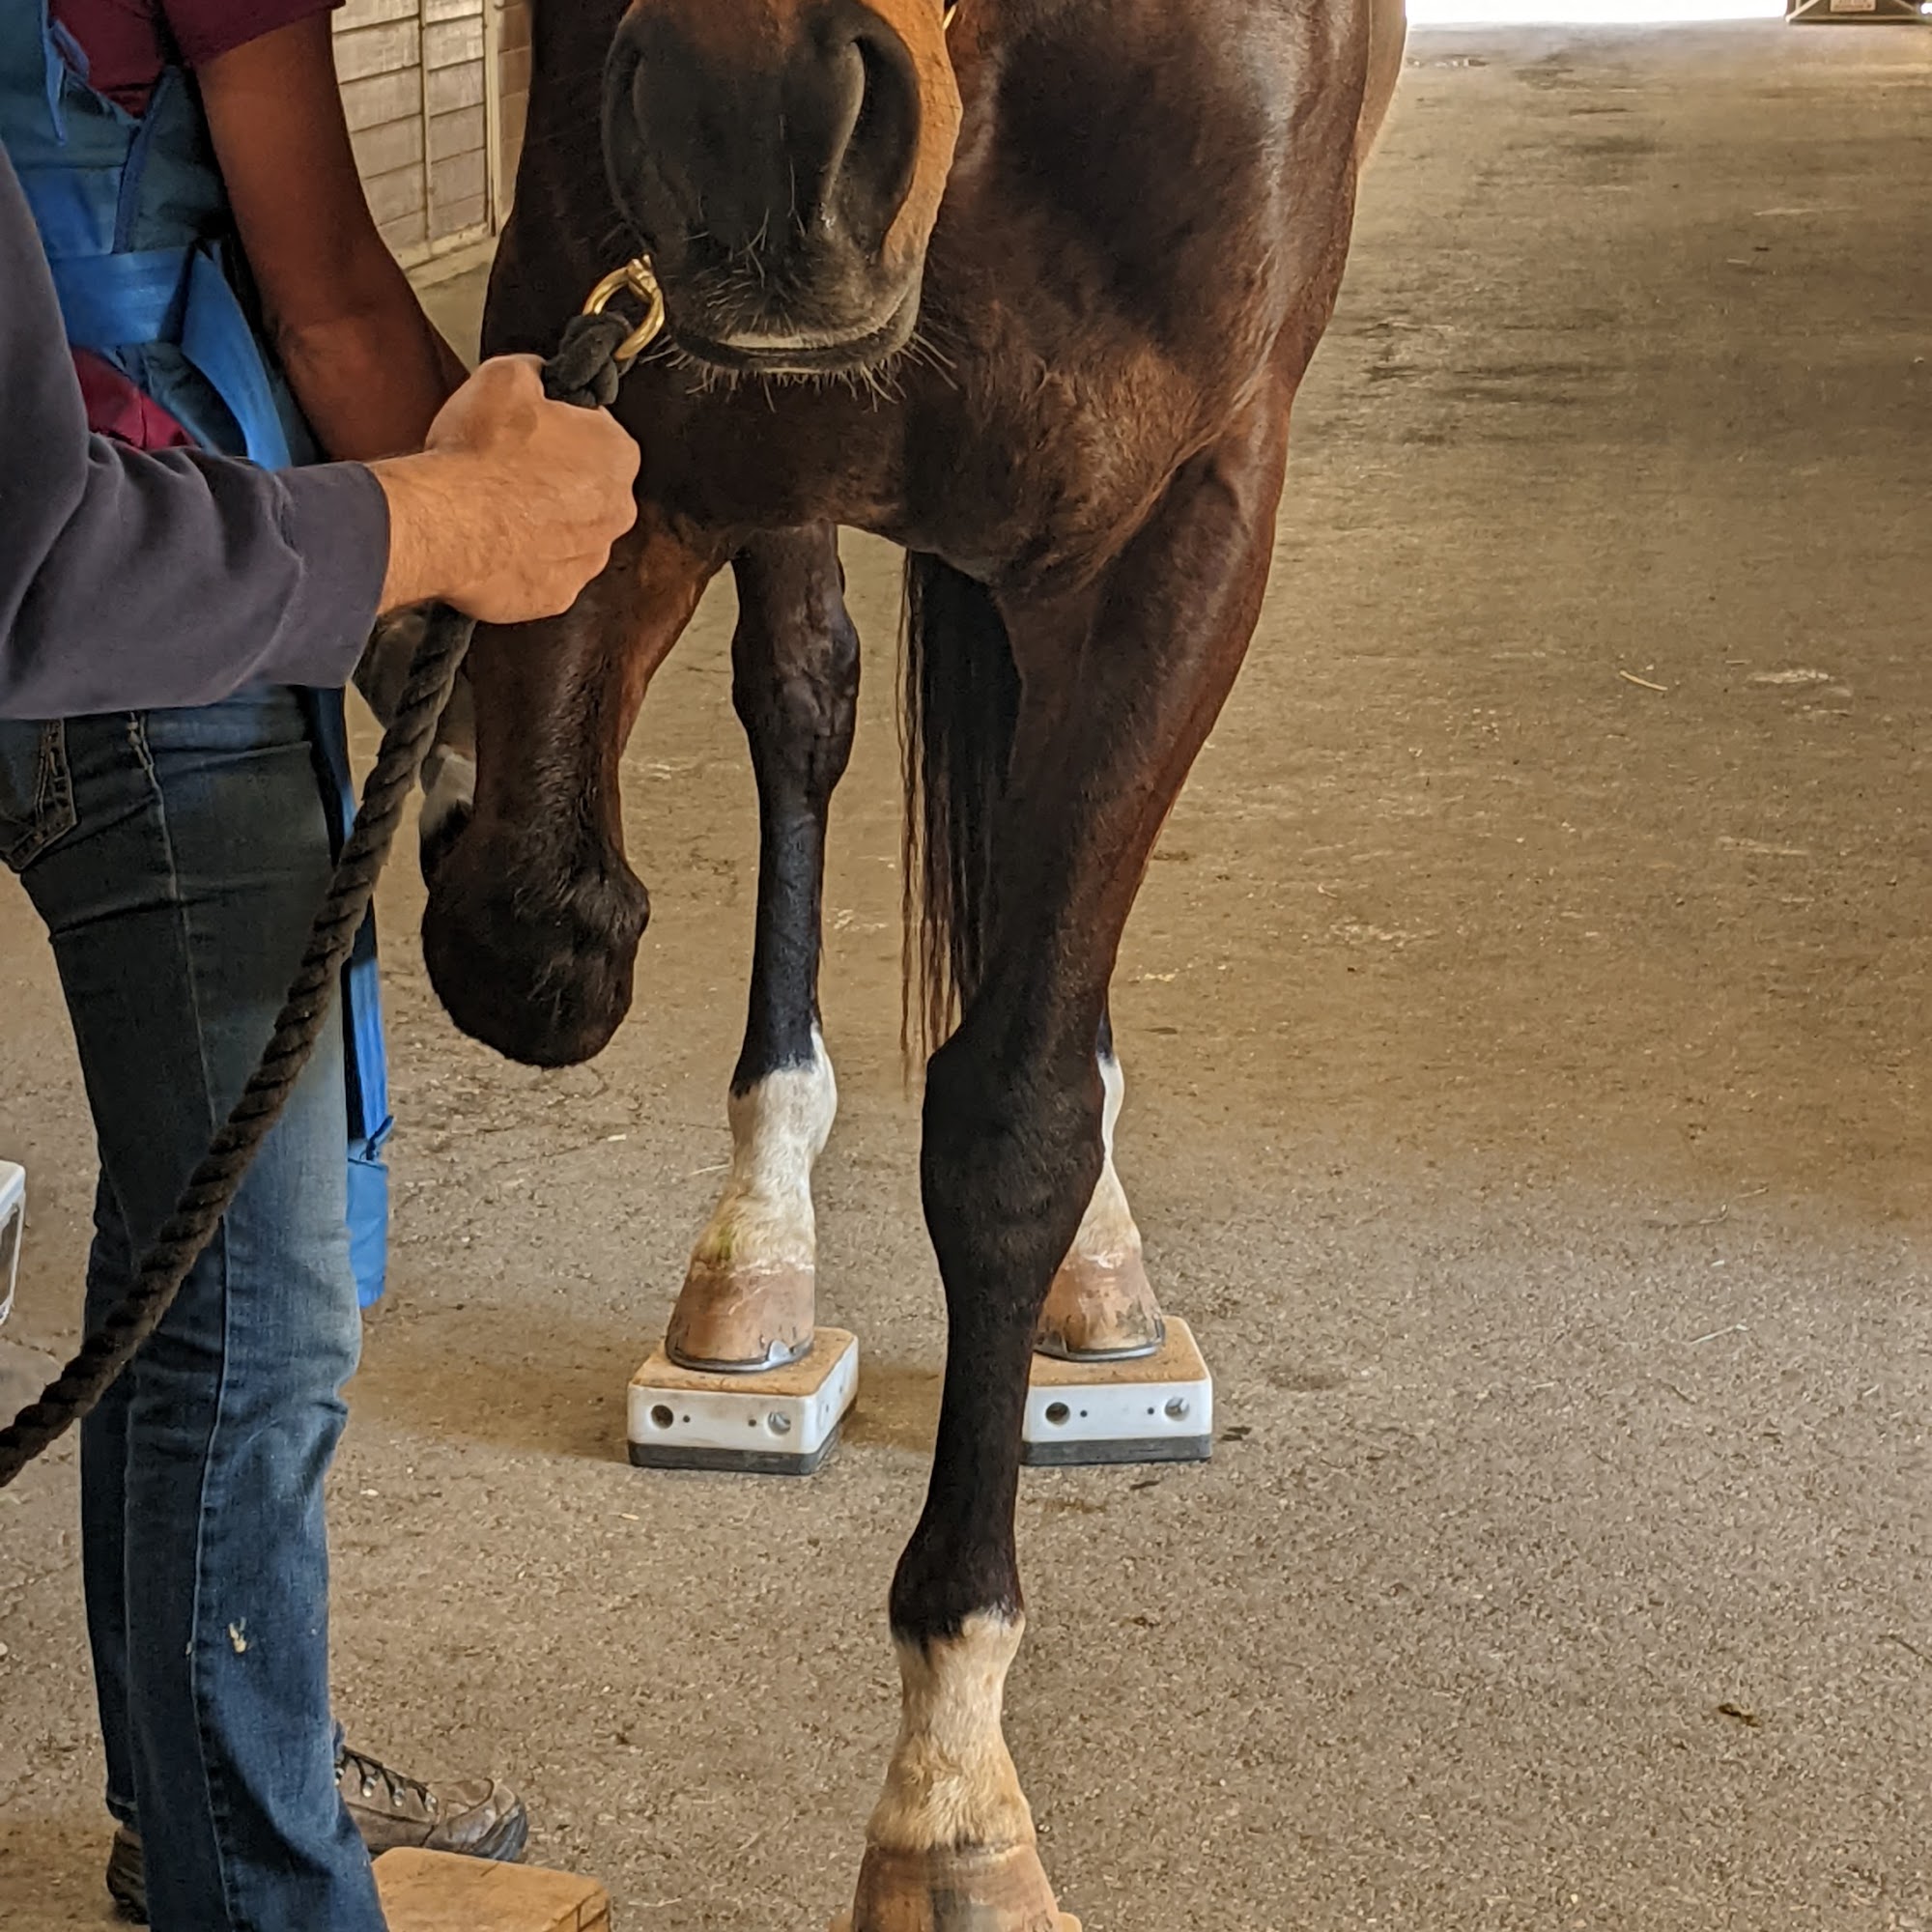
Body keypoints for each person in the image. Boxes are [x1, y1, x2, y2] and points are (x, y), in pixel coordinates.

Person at [0, 3, 639, 1923]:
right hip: (158, 588)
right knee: (237, 1287)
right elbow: (335, 300)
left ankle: (204, 1788)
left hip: (113, 565)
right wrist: (490, 533)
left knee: (174, 1261)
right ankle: (255, 1874)